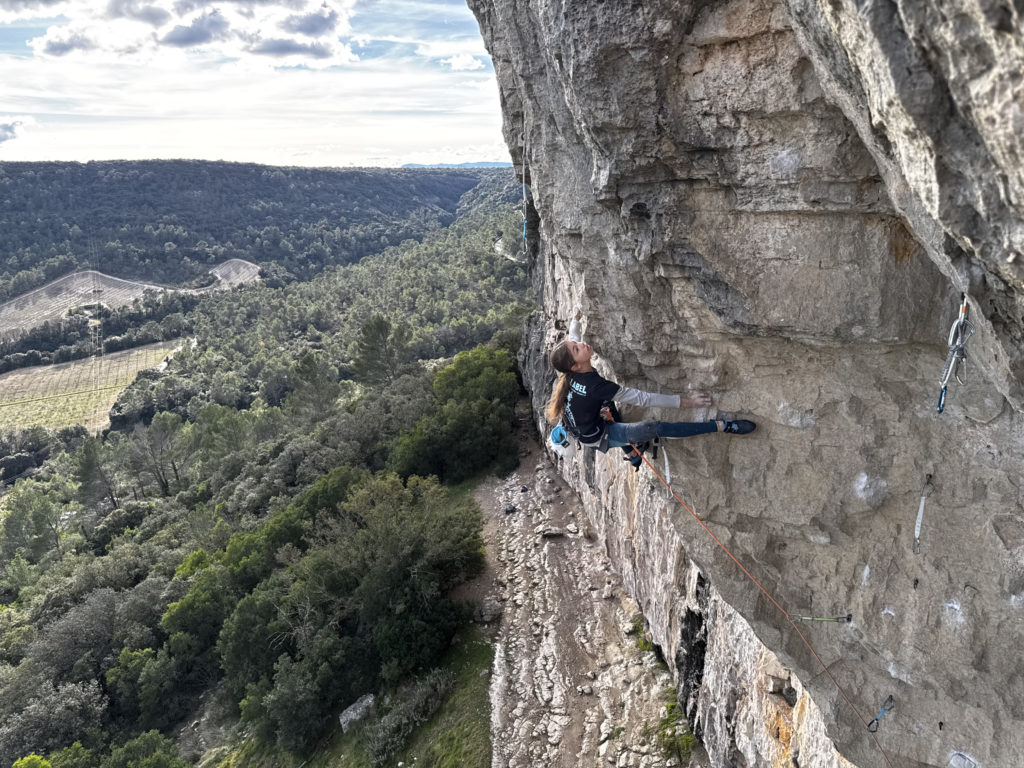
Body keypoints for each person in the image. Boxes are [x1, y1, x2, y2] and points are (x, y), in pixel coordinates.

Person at [546, 310, 755, 465]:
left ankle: (633, 452)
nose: (582, 344)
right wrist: (687, 402)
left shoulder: (571, 371)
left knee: (608, 406)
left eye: (577, 344)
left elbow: (572, 339)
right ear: (575, 365)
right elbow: (642, 398)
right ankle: (721, 426)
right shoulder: (594, 386)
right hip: (597, 435)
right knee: (654, 428)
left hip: (583, 419)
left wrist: (575, 320)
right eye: (577, 348)